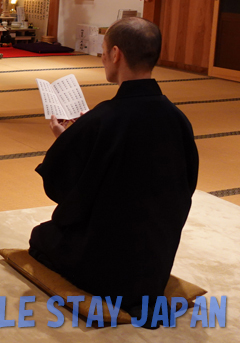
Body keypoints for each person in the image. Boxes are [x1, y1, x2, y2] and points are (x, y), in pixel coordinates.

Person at [28, 17, 199, 322]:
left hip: (107, 268)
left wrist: (65, 141)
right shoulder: (178, 119)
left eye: (104, 52)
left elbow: (61, 188)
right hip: (155, 264)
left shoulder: (102, 119)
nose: (103, 58)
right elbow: (186, 188)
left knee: (41, 237)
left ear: (117, 54)